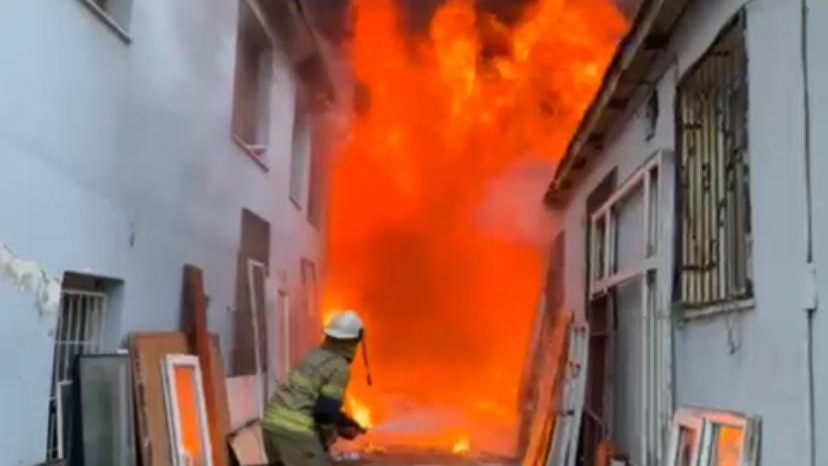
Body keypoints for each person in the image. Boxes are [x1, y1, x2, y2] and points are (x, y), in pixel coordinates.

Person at [262, 310, 368, 466]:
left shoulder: (314, 355)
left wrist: (344, 421)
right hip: (294, 431)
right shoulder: (339, 366)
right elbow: (325, 413)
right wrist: (333, 434)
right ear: (353, 341)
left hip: (271, 426)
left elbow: (312, 399)